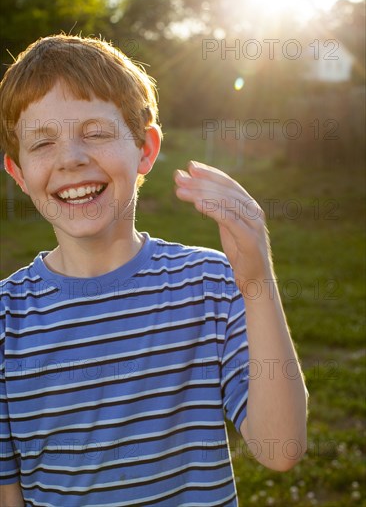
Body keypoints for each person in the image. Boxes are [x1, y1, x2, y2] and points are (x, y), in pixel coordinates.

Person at [0, 34, 308, 507]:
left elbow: (281, 448)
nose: (71, 158)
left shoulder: (208, 284)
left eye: (96, 133)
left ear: (145, 149)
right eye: (42, 143)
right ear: (18, 173)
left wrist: (256, 283)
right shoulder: (6, 318)